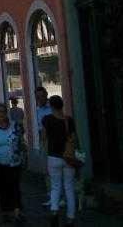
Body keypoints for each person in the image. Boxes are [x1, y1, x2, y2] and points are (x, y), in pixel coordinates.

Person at [0, 104, 27, 223]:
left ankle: (17, 211)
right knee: (2, 188)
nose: (0, 114)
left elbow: (21, 141)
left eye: (2, 111)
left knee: (15, 187)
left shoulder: (14, 126)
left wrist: (24, 154)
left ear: (6, 113)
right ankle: (6, 212)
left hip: (14, 162)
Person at [42, 96, 77, 226]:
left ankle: (54, 213)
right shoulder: (69, 120)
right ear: (62, 105)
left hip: (53, 157)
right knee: (69, 187)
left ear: (51, 106)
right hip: (68, 157)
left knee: (55, 186)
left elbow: (44, 138)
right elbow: (73, 138)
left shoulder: (47, 119)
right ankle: (70, 218)